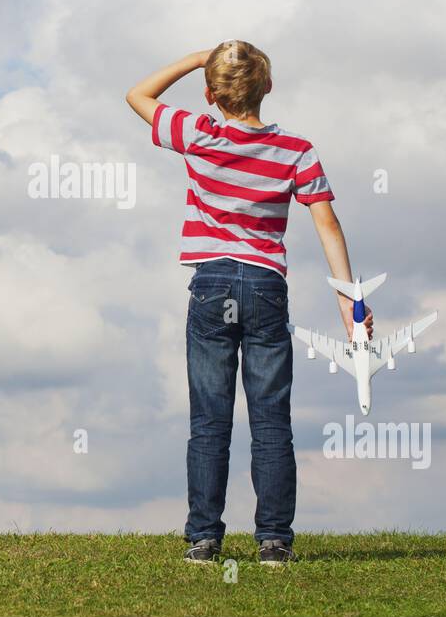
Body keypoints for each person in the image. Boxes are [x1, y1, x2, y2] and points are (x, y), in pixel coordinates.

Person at [124, 41, 372, 566]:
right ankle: (275, 542)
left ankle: (204, 539)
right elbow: (326, 224)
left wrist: (195, 59)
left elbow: (136, 94)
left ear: (210, 94)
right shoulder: (298, 150)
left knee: (210, 420)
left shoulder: (198, 133)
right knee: (271, 420)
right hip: (265, 288)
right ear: (269, 88)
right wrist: (350, 304)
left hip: (212, 286)